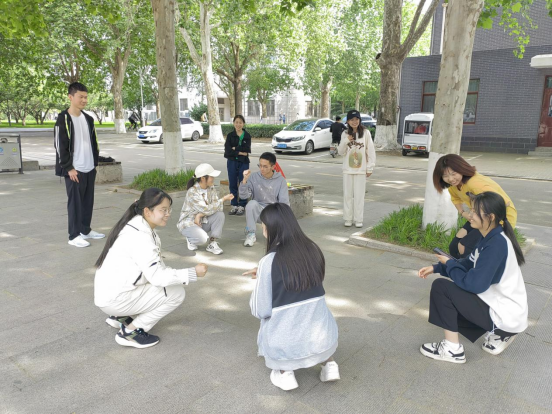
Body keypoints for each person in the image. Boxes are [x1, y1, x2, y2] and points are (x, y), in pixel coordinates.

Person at [418, 192, 527, 364]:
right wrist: (437, 267)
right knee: (454, 289)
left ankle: (452, 350)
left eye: (475, 212)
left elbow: (474, 284)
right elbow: (469, 263)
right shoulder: (490, 237)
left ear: (491, 217)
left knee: (442, 288)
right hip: (502, 308)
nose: (470, 215)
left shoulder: (496, 245)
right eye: (471, 210)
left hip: (505, 313)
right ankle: (500, 334)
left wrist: (450, 264)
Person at [94, 188, 208, 349]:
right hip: (114, 299)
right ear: (147, 211)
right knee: (176, 293)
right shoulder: (141, 236)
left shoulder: (136, 224)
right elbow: (158, 277)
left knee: (164, 284)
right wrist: (192, 273)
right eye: (163, 210)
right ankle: (130, 333)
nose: (168, 214)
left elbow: (155, 270)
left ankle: (119, 317)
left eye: (169, 209)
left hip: (110, 294)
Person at [245, 203, 340, 391]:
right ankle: (330, 365)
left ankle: (285, 373)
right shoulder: (312, 249)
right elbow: (301, 280)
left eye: (263, 226)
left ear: (270, 228)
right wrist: (266, 275)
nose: (263, 230)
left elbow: (259, 310)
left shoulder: (268, 262)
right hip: (324, 340)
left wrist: (262, 278)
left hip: (287, 347)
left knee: (271, 319)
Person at [433, 154, 517, 259]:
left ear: (461, 168)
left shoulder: (475, 184)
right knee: (455, 246)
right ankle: (458, 267)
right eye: (445, 176)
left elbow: (504, 202)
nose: (450, 179)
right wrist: (463, 213)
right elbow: (455, 198)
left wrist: (486, 220)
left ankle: (472, 268)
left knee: (464, 247)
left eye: (453, 173)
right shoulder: (455, 186)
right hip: (479, 215)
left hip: (498, 218)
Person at [54, 82, 105, 248]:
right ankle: (74, 235)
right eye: (80, 97)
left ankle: (85, 230)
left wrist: (94, 164)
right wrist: (69, 168)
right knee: (75, 204)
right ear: (70, 97)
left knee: (88, 202)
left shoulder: (88, 119)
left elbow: (94, 143)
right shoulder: (63, 119)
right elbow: (59, 145)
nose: (84, 100)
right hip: (74, 170)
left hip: (89, 167)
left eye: (86, 97)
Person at [177, 164, 234, 255]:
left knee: (220, 215)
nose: (213, 179)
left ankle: (212, 243)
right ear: (203, 178)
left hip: (202, 220)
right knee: (202, 239)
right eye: (211, 177)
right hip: (189, 223)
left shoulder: (211, 188)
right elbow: (206, 209)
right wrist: (223, 199)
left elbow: (217, 208)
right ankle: (191, 238)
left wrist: (199, 215)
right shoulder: (192, 192)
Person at [239, 152, 289, 247]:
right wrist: (244, 180)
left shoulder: (281, 180)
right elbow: (243, 196)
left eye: (265, 166)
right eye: (260, 165)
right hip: (259, 211)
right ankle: (250, 234)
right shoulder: (253, 177)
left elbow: (284, 203)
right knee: (251, 204)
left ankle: (277, 234)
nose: (262, 169)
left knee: (281, 209)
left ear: (273, 167)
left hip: (273, 212)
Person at [337, 110, 376, 228]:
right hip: (347, 170)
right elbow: (340, 152)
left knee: (359, 196)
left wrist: (370, 168)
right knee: (347, 195)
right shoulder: (345, 133)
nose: (354, 122)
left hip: (361, 170)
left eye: (356, 119)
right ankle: (348, 218)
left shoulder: (366, 133)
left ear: (359, 120)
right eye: (352, 119)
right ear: (348, 121)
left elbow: (370, 151)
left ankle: (358, 219)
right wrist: (346, 141)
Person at [224, 115, 251, 216]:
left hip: (244, 162)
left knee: (243, 183)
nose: (238, 124)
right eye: (236, 122)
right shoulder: (230, 135)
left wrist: (235, 149)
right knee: (232, 183)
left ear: (243, 124)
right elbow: (227, 151)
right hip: (232, 162)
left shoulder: (247, 136)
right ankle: (234, 205)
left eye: (240, 122)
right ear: (233, 123)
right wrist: (240, 152)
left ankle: (242, 205)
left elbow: (247, 150)